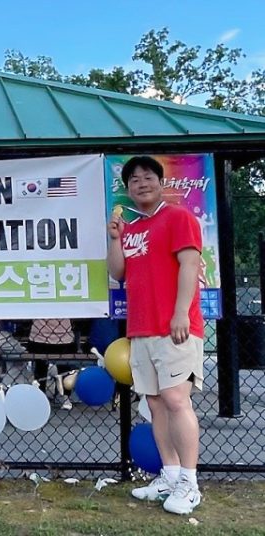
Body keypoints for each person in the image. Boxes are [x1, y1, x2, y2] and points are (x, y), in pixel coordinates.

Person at [107, 156, 204, 515]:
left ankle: (190, 484)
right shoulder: (131, 229)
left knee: (177, 400)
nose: (141, 183)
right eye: (134, 180)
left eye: (148, 177)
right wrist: (115, 238)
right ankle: (170, 474)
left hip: (175, 327)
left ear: (161, 183)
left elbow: (190, 265)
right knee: (155, 404)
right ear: (128, 189)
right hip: (141, 329)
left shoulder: (179, 218)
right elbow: (119, 272)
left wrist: (181, 313)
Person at [27, 318, 76, 410]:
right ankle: (65, 398)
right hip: (64, 339)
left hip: (38, 338)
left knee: (40, 367)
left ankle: (40, 397)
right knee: (64, 367)